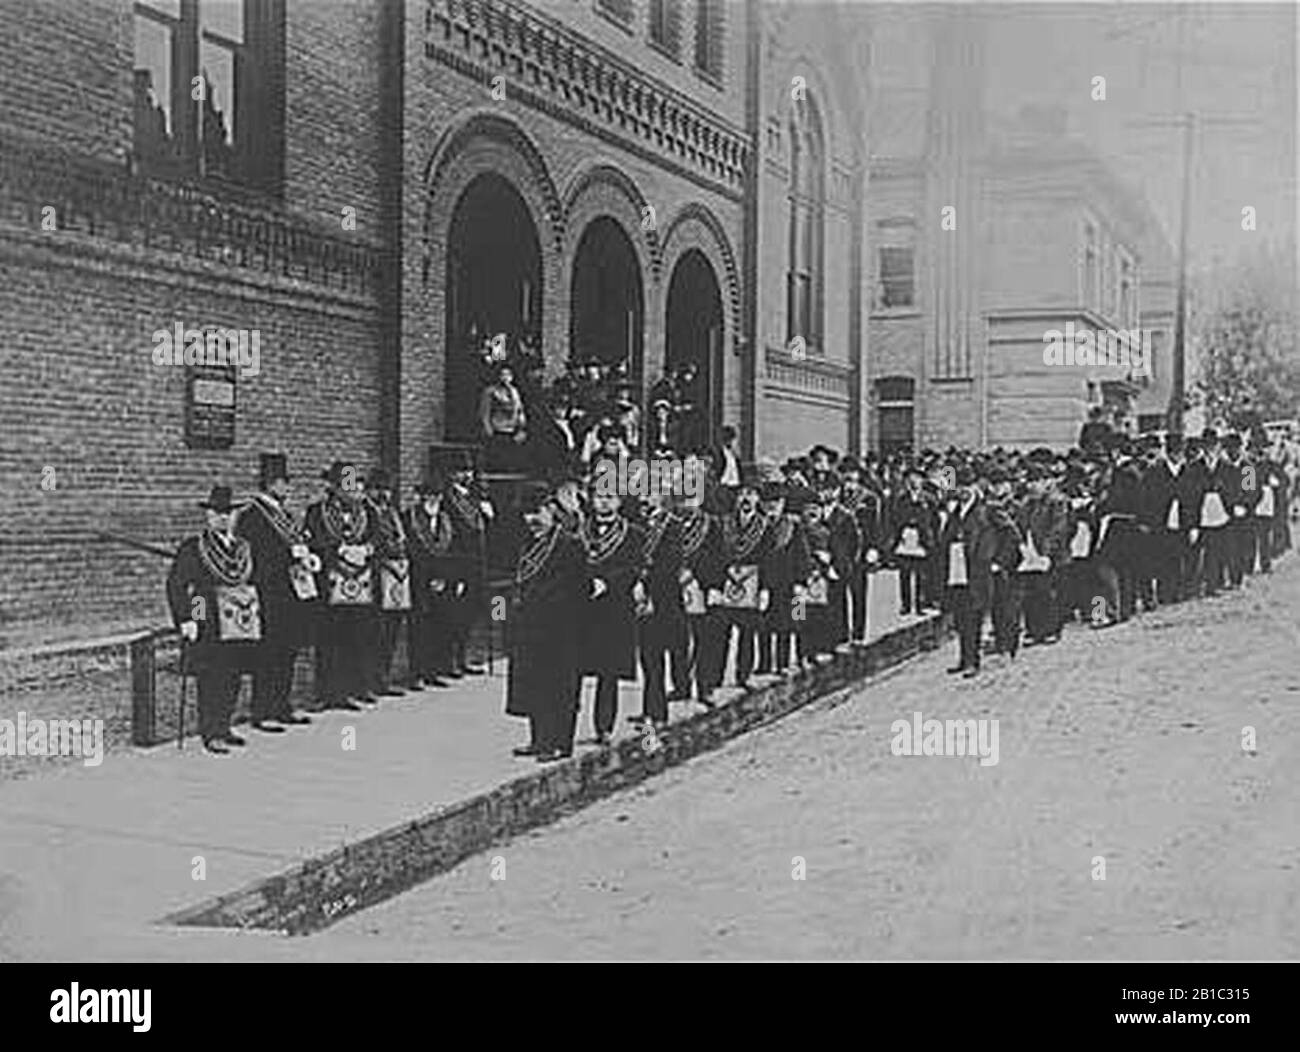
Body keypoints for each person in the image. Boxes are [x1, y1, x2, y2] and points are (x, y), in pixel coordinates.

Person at [167, 485, 261, 753]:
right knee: (211, 675)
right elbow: (181, 584)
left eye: (229, 513)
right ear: (208, 516)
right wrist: (189, 619)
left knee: (233, 674)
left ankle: (225, 725)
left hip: (239, 617)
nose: (223, 518)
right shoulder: (194, 547)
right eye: (218, 513)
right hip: (207, 615)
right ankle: (210, 731)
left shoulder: (243, 548)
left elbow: (250, 580)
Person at [505, 482, 587, 762]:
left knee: (559, 687)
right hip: (530, 628)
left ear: (551, 510)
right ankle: (539, 740)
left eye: (537, 512)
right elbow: (513, 586)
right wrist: (502, 617)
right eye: (526, 514)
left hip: (561, 630)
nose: (532, 520)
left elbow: (578, 590)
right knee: (534, 684)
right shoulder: (525, 544)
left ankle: (560, 744)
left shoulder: (569, 545)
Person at [236, 453, 317, 730]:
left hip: (291, 592)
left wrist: (306, 557)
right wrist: (290, 559)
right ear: (270, 484)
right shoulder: (252, 516)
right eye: (283, 483)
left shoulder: (286, 515)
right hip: (268, 593)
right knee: (267, 654)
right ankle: (263, 711)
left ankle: (282, 704)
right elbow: (254, 557)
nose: (287, 488)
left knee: (287, 652)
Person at [578, 483, 646, 745]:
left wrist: (607, 582)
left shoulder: (633, 534)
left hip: (615, 609)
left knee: (608, 672)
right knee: (573, 669)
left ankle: (604, 727)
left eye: (610, 498)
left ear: (619, 502)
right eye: (599, 497)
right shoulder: (579, 531)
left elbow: (635, 567)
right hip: (583, 608)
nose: (604, 503)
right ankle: (564, 729)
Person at [305, 461, 375, 710]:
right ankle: (327, 692)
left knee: (357, 636)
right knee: (329, 638)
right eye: (346, 485)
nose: (352, 489)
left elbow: (377, 538)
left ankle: (354, 687)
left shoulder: (367, 512)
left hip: (359, 581)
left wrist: (366, 550)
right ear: (334, 487)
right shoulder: (316, 512)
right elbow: (314, 543)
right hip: (330, 583)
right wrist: (338, 550)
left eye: (354, 484)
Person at [708, 467, 771, 691]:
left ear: (758, 499)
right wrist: (714, 586)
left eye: (751, 494)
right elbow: (714, 557)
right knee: (719, 635)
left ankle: (743, 676)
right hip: (726, 582)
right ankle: (714, 678)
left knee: (747, 634)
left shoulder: (765, 527)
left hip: (751, 584)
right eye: (742, 493)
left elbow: (768, 561)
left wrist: (765, 590)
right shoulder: (723, 523)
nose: (746, 498)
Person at [939, 469, 998, 677]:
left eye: (967, 486)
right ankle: (964, 659)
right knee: (960, 618)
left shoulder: (985, 510)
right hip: (956, 570)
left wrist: (991, 559)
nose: (963, 491)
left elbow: (1003, 534)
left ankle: (973, 661)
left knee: (974, 618)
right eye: (959, 486)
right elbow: (945, 538)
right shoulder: (955, 512)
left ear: (975, 486)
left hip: (976, 572)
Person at [635, 487, 685, 731]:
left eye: (650, 494)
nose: (644, 498)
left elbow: (670, 563)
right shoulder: (635, 523)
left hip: (663, 599)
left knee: (657, 655)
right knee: (646, 657)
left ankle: (657, 713)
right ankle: (649, 708)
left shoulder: (672, 525)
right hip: (639, 598)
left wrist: (650, 590)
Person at [441, 449, 490, 678]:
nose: (467, 476)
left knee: (470, 612)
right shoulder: (448, 498)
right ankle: (449, 660)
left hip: (476, 563)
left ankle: (462, 656)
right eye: (462, 471)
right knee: (454, 614)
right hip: (458, 563)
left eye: (468, 471)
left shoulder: (472, 497)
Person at [404, 474, 455, 690]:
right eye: (428, 495)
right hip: (418, 577)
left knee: (439, 625)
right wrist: (425, 576)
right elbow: (410, 548)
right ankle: (416, 673)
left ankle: (433, 669)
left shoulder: (444, 519)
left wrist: (443, 576)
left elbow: (450, 550)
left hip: (440, 579)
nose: (433, 499)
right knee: (418, 627)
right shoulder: (410, 517)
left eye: (437, 495)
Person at [365, 468, 410, 698]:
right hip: (375, 577)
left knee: (391, 630)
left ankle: (383, 677)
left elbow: (401, 539)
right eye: (378, 489)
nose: (383, 494)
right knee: (374, 632)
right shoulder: (366, 512)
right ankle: (370, 680)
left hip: (396, 577)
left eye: (387, 490)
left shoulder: (393, 514)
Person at [890, 467, 934, 616]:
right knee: (905, 573)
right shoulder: (901, 499)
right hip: (906, 537)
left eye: (917, 478)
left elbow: (934, 519)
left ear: (922, 480)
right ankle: (906, 604)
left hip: (922, 538)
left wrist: (929, 536)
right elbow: (895, 518)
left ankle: (920, 604)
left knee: (922, 574)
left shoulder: (929, 499)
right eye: (911, 478)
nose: (914, 481)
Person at [478, 362, 527, 471]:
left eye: (508, 375)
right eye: (503, 375)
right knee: (497, 458)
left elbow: (519, 409)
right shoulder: (491, 392)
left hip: (512, 429)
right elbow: (485, 412)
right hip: (497, 429)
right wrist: (488, 428)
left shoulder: (514, 391)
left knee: (511, 459)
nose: (505, 378)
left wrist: (522, 427)